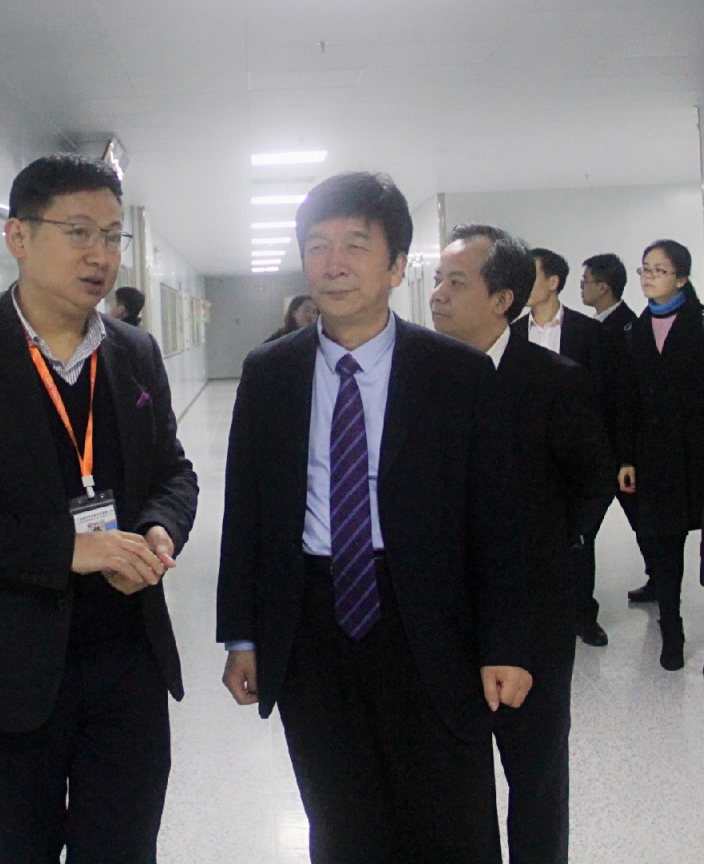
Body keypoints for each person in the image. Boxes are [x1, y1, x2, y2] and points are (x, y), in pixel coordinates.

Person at [0, 153, 198, 863]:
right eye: (79, 232)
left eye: (113, 236)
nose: (101, 255)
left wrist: (159, 529)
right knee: (19, 847)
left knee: (124, 848)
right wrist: (66, 548)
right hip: (6, 660)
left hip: (127, 655)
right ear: (18, 237)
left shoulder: (135, 352)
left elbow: (173, 472)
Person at [217, 171, 532, 863]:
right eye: (318, 246)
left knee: (452, 818)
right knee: (341, 820)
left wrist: (505, 642)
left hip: (429, 616)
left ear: (396, 266)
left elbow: (498, 520)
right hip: (312, 619)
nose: (334, 264)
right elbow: (248, 511)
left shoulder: (457, 374)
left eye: (355, 245)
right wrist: (242, 634)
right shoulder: (269, 373)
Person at [431, 224, 613, 864]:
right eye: (437, 280)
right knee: (453, 782)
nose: (437, 295)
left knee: (535, 778)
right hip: (444, 615)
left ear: (502, 299)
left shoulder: (555, 381)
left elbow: (594, 479)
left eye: (456, 282)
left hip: (534, 615)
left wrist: (553, 545)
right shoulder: (421, 383)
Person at [616, 239, 704, 675]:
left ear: (681, 278)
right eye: (644, 269)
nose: (648, 277)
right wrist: (625, 457)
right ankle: (671, 630)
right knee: (663, 542)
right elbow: (627, 401)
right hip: (655, 455)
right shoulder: (633, 331)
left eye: (658, 270)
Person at [513, 247, 610, 647]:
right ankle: (537, 613)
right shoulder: (513, 333)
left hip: (574, 450)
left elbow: (605, 394)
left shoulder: (588, 333)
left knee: (579, 535)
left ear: (553, 282)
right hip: (527, 452)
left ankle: (583, 614)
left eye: (531, 276)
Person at [580, 253, 656, 603]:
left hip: (622, 444)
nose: (581, 288)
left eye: (586, 281)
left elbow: (627, 395)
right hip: (604, 443)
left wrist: (626, 453)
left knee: (640, 517)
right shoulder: (599, 328)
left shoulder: (626, 328)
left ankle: (660, 578)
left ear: (603, 287)